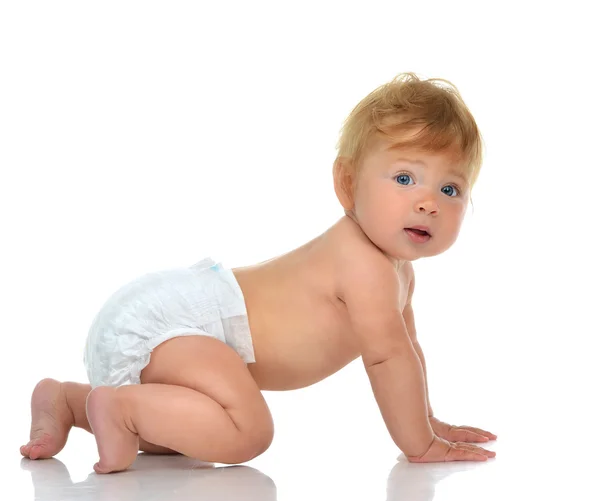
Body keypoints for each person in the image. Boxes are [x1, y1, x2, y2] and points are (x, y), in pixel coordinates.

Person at [20, 72, 497, 474]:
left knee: (188, 432)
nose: (427, 201)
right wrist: (420, 444)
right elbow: (388, 360)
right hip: (172, 327)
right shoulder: (364, 267)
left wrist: (430, 420)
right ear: (348, 184)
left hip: (171, 332)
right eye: (405, 178)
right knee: (247, 432)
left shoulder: (395, 273)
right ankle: (118, 406)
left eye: (451, 188)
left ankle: (70, 401)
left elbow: (408, 354)